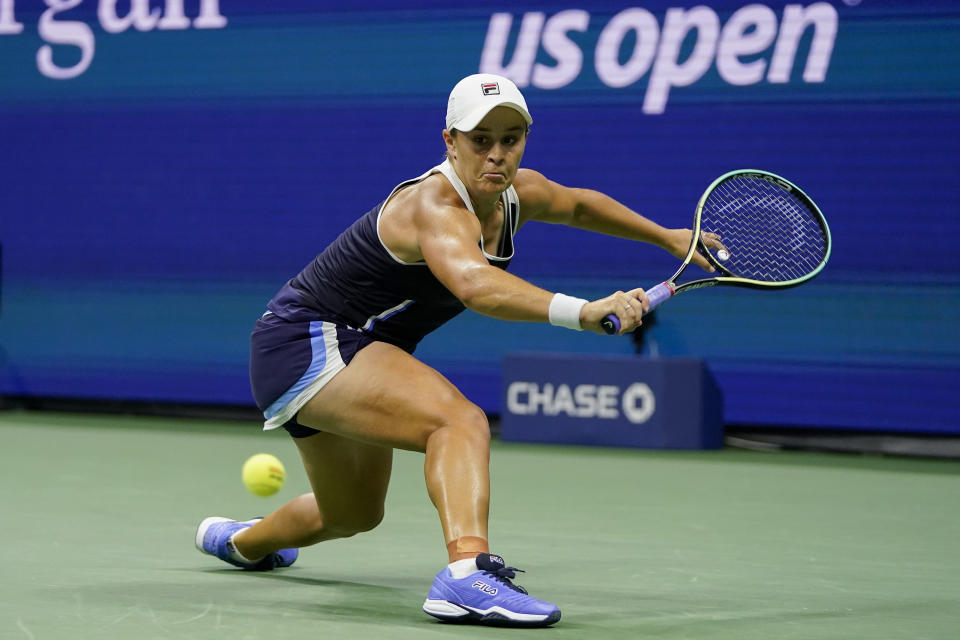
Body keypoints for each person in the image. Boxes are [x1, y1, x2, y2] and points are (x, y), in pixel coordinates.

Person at [195, 73, 718, 627]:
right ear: (449, 141)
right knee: (459, 422)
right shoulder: (435, 206)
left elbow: (580, 206)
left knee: (351, 514)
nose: (497, 154)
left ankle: (241, 543)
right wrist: (581, 311)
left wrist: (666, 235)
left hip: (353, 349)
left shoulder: (517, 195)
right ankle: (467, 575)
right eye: (479, 140)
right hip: (306, 341)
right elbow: (476, 285)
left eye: (511, 139)